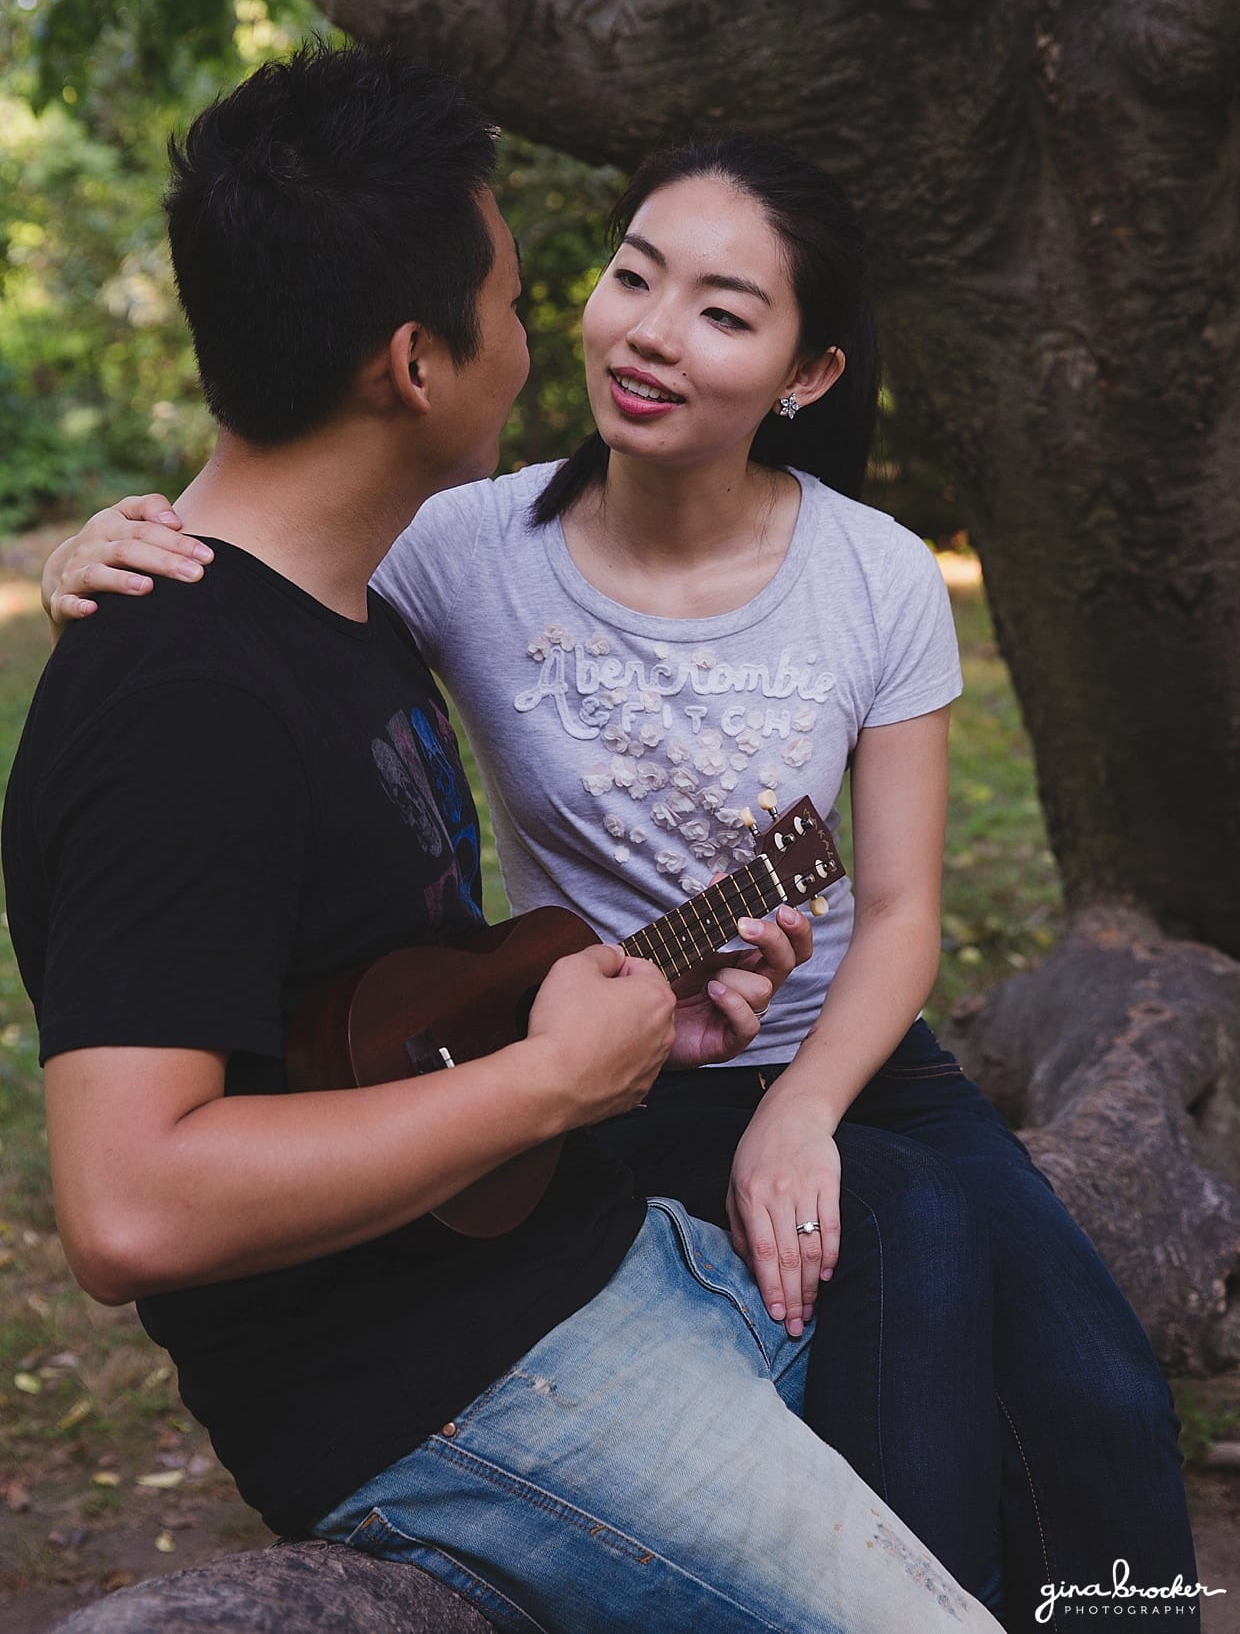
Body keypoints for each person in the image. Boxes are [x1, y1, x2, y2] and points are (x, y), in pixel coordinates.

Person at [46, 126, 1204, 1633]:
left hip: (826, 1047)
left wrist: (797, 1105)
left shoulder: (875, 574)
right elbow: (266, 552)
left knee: (1096, 1387)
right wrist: (109, 545)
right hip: (611, 1076)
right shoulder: (453, 547)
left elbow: (901, 909)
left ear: (808, 374)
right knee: (901, 1284)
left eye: (725, 309)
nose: (645, 332)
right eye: (623, 277)